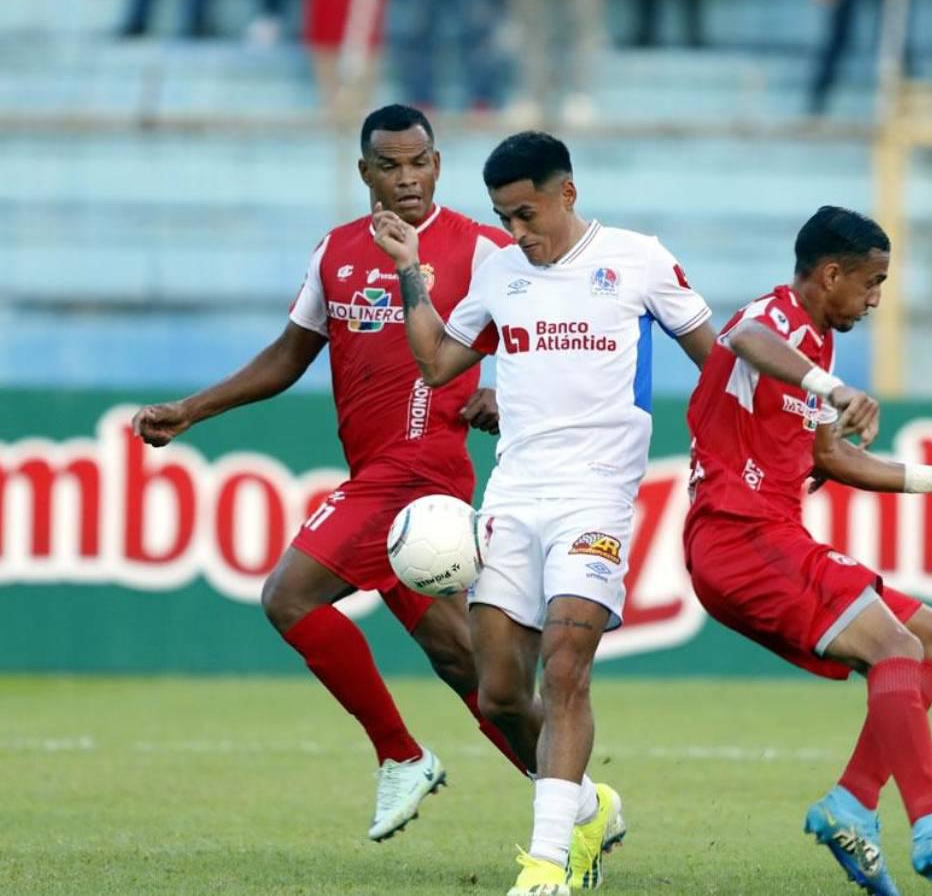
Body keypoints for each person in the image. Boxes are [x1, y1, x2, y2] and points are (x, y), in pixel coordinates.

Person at [131, 104, 526, 844]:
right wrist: (192, 409)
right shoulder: (335, 253)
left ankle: (401, 756)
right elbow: (288, 357)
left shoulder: (483, 249)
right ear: (364, 173)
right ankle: (574, 800)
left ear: (438, 164)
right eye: (391, 166)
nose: (408, 179)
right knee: (463, 663)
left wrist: (507, 393)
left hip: (419, 474)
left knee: (289, 595)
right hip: (377, 469)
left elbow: (544, 340)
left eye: (420, 163)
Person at [372, 131, 718, 895]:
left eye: (526, 214)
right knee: (498, 691)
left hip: (598, 493)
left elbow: (717, 360)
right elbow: (438, 362)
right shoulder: (500, 272)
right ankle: (588, 804)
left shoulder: (639, 260)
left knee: (566, 670)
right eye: (504, 218)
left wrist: (743, 452)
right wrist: (409, 274)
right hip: (515, 494)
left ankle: (546, 864)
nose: (517, 233)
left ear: (567, 192)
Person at [683, 206, 932, 895]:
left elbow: (829, 456)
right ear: (830, 273)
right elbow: (744, 335)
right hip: (739, 536)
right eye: (871, 283)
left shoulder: (815, 342)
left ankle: (850, 804)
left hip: (770, 535)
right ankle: (931, 819)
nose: (875, 299)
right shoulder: (775, 319)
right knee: (895, 649)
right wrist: (829, 385)